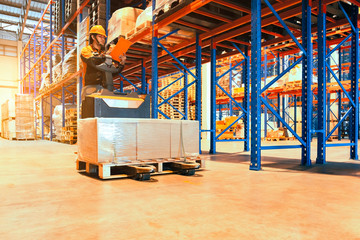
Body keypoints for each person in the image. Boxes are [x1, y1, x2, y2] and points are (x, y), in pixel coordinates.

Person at [80, 25, 126, 101]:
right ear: (93, 37)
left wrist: (121, 64)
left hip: (104, 89)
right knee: (89, 111)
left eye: (104, 37)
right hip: (90, 88)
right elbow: (93, 61)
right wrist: (105, 56)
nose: (103, 39)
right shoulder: (86, 50)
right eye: (100, 36)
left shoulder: (105, 54)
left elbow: (111, 72)